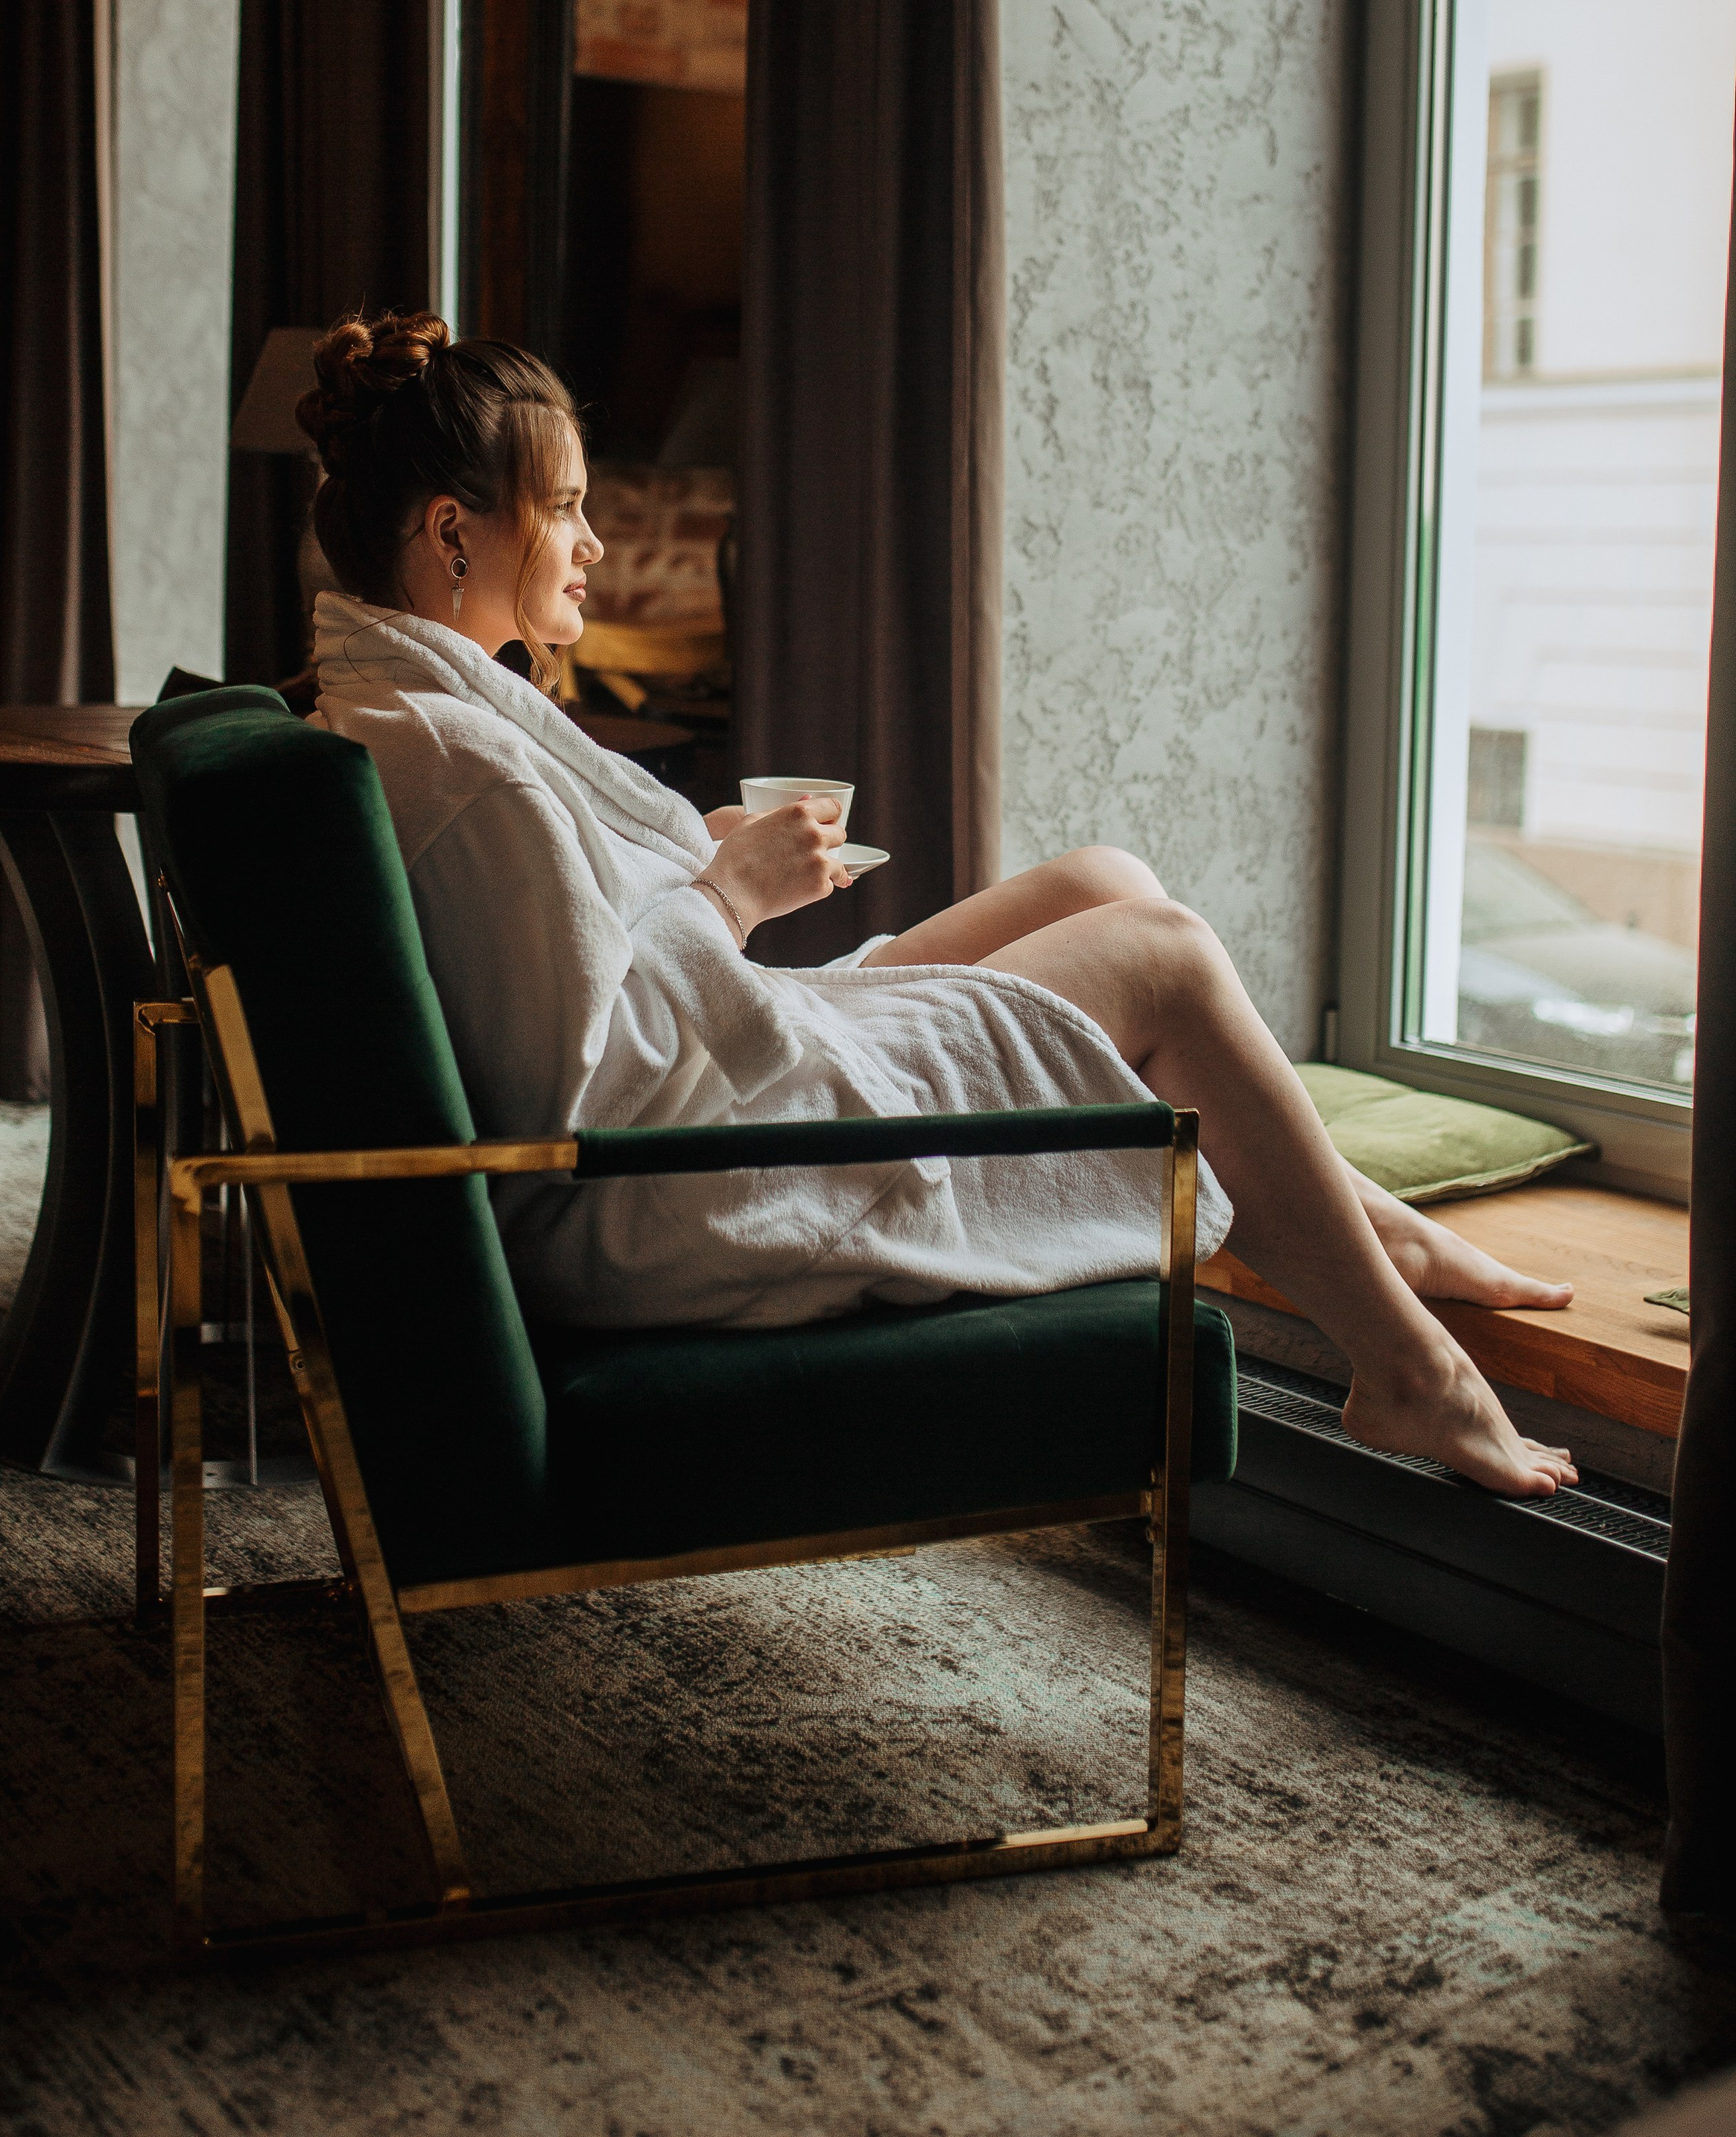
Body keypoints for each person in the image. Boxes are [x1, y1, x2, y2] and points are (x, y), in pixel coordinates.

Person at [302, 311, 1579, 1501]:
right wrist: (726, 894)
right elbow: (579, 1092)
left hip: (715, 1090)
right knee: (1169, 956)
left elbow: (572, 961)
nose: (594, 542)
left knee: (1103, 881)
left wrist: (704, 863)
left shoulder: (415, 710)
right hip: (679, 1185)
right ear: (452, 529)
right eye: (567, 507)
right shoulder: (460, 764)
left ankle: (1365, 1227)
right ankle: (1411, 1371)